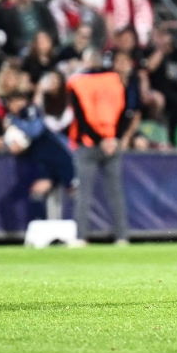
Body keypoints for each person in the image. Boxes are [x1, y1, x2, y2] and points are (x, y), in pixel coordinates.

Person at [67, 47, 130, 245]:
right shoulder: (114, 80)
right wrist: (115, 138)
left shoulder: (76, 82)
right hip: (112, 142)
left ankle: (80, 237)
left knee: (83, 194)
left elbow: (81, 117)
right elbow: (124, 111)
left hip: (89, 143)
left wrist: (98, 139)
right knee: (116, 194)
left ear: (85, 62)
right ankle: (122, 237)